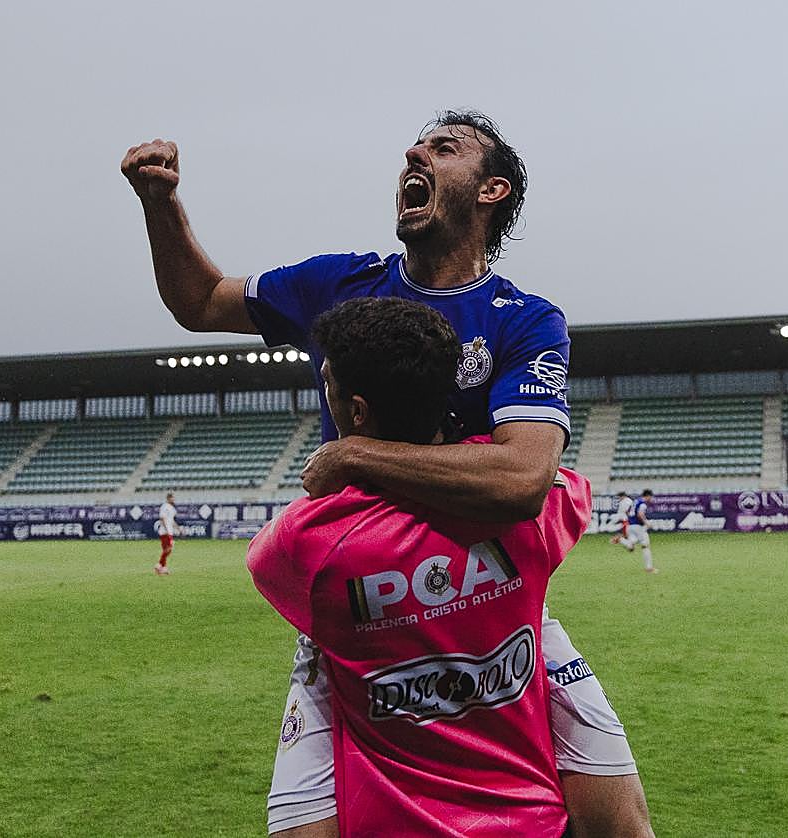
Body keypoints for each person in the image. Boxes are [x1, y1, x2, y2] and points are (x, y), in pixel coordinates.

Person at [122, 109, 653, 837]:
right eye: (417, 144)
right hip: (363, 609)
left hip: (498, 606)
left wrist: (352, 455)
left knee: (621, 822)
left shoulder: (523, 320)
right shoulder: (340, 283)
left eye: (444, 148)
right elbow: (201, 301)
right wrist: (161, 204)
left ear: (491, 190)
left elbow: (524, 478)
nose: (415, 150)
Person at [249, 296, 591, 836]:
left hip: (388, 824)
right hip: (532, 822)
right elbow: (557, 485)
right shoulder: (539, 511)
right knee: (622, 814)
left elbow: (268, 564)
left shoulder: (304, 544)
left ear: (356, 412)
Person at [618, 490, 657, 572]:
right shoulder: (642, 503)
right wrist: (646, 523)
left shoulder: (635, 501)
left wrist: (631, 519)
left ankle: (621, 540)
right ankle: (649, 568)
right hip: (638, 527)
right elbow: (640, 514)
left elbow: (627, 511)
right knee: (645, 545)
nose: (651, 499)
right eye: (651, 497)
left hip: (630, 526)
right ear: (648, 496)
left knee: (633, 542)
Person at [155, 492, 177, 575]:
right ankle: (159, 565)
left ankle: (163, 567)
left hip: (169, 531)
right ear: (168, 498)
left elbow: (172, 520)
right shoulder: (164, 506)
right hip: (165, 532)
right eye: (172, 498)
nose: (173, 499)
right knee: (168, 549)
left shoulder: (172, 508)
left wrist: (178, 528)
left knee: (167, 550)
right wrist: (166, 529)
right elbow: (162, 518)